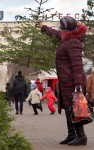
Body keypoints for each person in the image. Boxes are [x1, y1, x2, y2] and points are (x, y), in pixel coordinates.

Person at [37, 16, 87, 145]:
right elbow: (55, 33)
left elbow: (77, 65)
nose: (61, 30)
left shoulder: (73, 42)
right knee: (67, 107)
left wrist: (78, 84)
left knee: (74, 108)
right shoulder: (67, 37)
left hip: (72, 82)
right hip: (66, 81)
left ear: (66, 29)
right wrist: (43, 27)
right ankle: (71, 134)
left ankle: (81, 136)